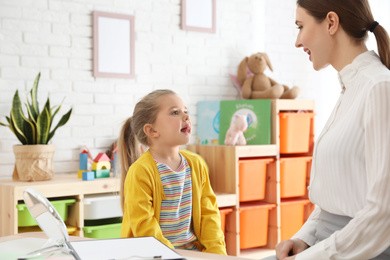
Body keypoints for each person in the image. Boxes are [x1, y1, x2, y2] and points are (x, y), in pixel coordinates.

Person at [269, 0, 390, 259]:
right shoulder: (351, 88)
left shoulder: (379, 88)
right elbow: (335, 199)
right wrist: (304, 237)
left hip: (363, 250)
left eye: (301, 26)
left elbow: (384, 213)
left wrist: (313, 255)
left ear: (331, 23)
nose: (297, 41)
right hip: (328, 245)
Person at [117, 89, 227, 255]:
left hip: (191, 253)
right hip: (153, 255)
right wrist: (174, 256)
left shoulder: (196, 164)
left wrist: (217, 254)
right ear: (152, 131)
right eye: (175, 112)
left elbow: (209, 216)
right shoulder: (140, 172)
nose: (186, 117)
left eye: (186, 111)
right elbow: (145, 229)